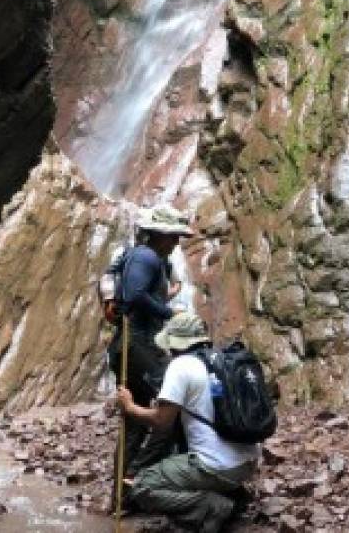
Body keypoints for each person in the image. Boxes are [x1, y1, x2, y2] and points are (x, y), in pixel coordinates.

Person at [116, 312, 260, 533]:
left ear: (175, 344)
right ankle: (234, 496)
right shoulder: (219, 360)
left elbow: (161, 421)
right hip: (247, 464)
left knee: (143, 486)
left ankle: (211, 507)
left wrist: (130, 406)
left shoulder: (181, 366)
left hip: (216, 467)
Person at [109, 206, 192, 496]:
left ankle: (123, 494)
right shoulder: (146, 256)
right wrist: (168, 313)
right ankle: (140, 478)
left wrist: (163, 297)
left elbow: (132, 293)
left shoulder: (142, 257)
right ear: (159, 235)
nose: (176, 243)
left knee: (135, 421)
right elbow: (133, 295)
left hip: (130, 345)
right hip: (138, 345)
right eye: (173, 237)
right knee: (175, 406)